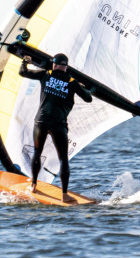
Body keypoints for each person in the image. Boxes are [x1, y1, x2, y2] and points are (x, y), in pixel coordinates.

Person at [19, 53, 93, 203]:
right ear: (66, 66)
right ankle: (64, 195)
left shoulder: (46, 74)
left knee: (37, 152)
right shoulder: (72, 82)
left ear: (55, 64)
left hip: (41, 122)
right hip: (58, 124)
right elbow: (88, 98)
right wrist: (86, 89)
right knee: (63, 159)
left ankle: (33, 185)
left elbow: (22, 72)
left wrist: (25, 60)